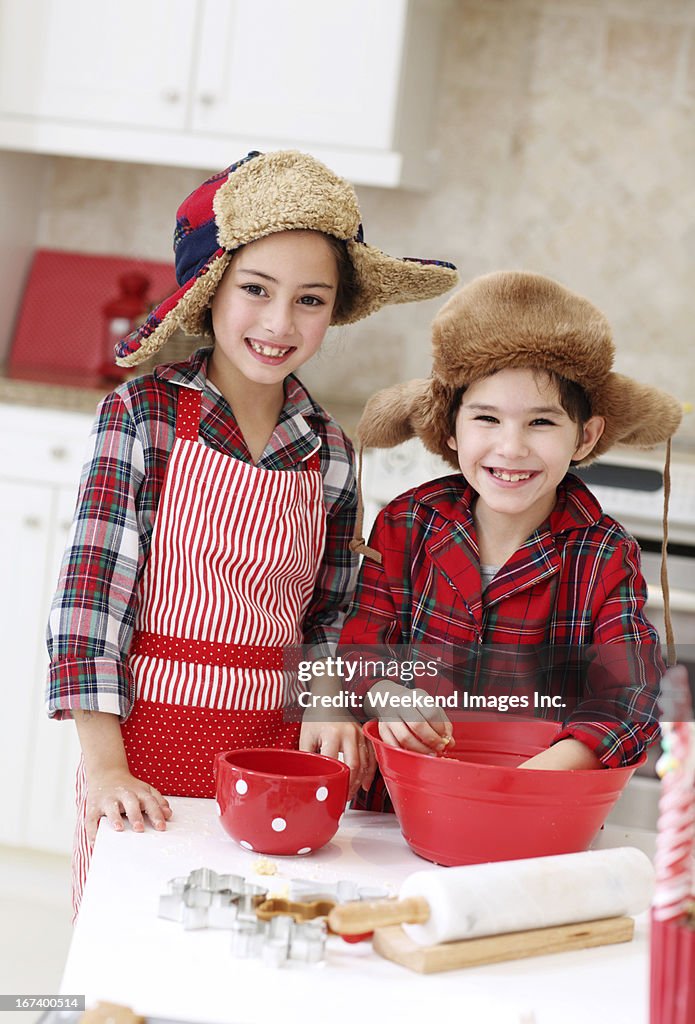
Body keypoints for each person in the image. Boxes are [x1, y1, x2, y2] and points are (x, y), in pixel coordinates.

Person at [46, 149, 458, 913]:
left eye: (309, 300)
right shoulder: (144, 418)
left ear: (334, 309)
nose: (278, 323)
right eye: (256, 291)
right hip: (140, 756)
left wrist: (330, 700)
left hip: (273, 751)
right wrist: (105, 769)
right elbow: (88, 607)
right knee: (135, 948)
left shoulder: (328, 449)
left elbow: (333, 611)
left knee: (246, 943)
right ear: (211, 293)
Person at [339, 270, 683, 810]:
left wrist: (525, 782)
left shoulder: (603, 555)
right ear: (450, 428)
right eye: (487, 418)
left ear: (585, 436)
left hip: (535, 813)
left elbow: (630, 697)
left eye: (541, 422)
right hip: (398, 808)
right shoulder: (407, 524)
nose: (511, 447)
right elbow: (359, 649)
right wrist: (384, 694)